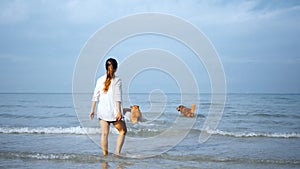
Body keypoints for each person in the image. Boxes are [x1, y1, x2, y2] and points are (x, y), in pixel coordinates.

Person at [89, 58, 127, 156]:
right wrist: (119, 111)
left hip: (102, 111)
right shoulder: (117, 80)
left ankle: (105, 156)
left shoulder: (99, 80)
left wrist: (92, 110)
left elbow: (95, 96)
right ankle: (117, 153)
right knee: (123, 131)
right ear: (116, 68)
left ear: (106, 67)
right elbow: (117, 97)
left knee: (104, 134)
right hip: (114, 112)